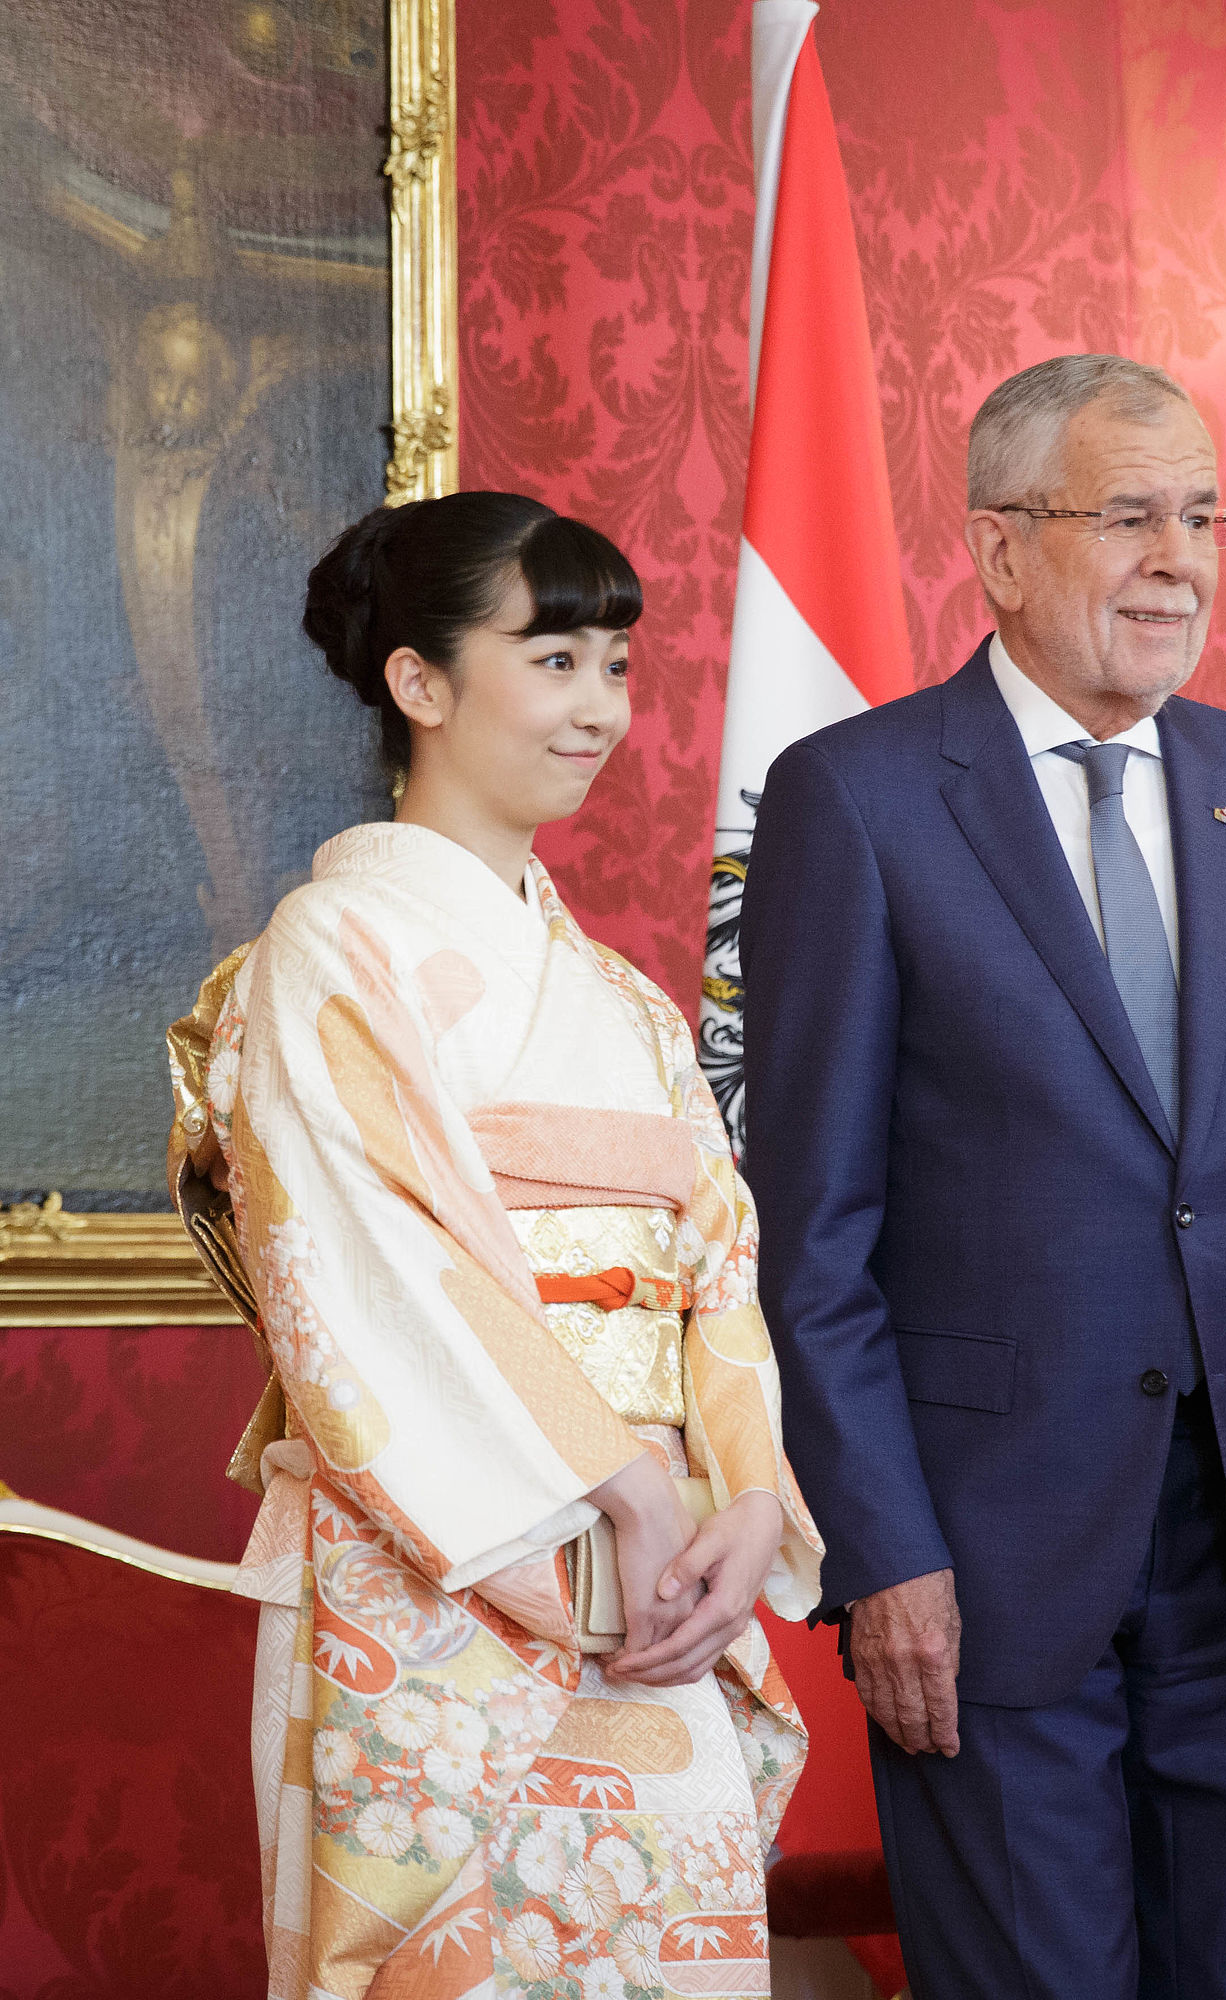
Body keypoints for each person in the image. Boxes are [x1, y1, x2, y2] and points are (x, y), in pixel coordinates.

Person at [740, 354, 1226, 1999]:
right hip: (984, 1563)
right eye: (1130, 516)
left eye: (1202, 517)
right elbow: (815, 1239)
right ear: (1000, 549)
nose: (1178, 561)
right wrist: (881, 1552)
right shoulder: (856, 801)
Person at [165, 492, 820, 2000]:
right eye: (555, 660)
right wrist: (624, 1491)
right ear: (420, 681)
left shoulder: (628, 1003)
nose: (601, 709)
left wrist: (743, 1500)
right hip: (436, 1580)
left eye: (617, 666)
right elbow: (371, 1267)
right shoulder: (329, 949)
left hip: (655, 1577)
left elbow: (715, 1270)